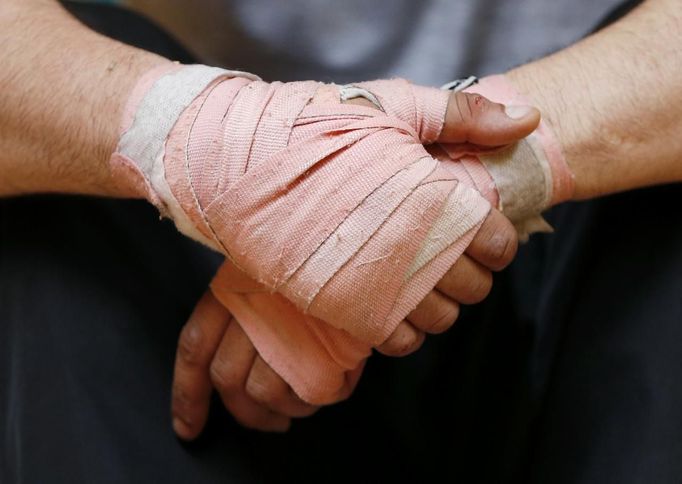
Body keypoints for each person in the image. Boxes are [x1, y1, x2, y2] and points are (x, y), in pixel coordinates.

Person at [1, 1, 680, 483]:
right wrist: (209, 138)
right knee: (52, 153)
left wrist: (377, 197)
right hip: (224, 253)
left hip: (581, 224)